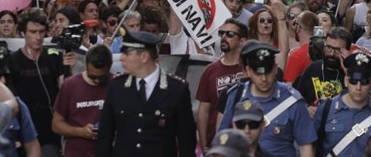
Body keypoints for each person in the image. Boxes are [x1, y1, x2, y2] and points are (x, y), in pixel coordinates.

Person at [96, 30, 196, 156]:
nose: (121, 58)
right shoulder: (116, 87)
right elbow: (105, 137)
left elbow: (186, 141)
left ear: (144, 57)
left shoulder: (176, 89)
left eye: (127, 53)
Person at [218, 42, 317, 157]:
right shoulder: (236, 95)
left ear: (275, 69)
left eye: (267, 72)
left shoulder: (292, 100)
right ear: (248, 71)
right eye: (258, 73)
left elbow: (306, 147)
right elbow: (222, 140)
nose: (264, 79)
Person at [9, 9, 70, 157]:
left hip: (49, 126)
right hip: (25, 126)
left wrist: (69, 68)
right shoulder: (13, 59)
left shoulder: (53, 54)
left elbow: (64, 88)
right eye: (33, 32)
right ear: (23, 33)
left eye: (41, 32)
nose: (38, 37)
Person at [313, 52, 371, 156]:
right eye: (354, 81)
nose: (358, 87)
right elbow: (311, 146)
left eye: (364, 81)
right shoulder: (326, 109)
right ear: (346, 81)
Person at [52, 44, 113, 157]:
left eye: (102, 77)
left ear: (110, 67)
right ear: (86, 66)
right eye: (92, 77)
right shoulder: (70, 85)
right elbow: (56, 125)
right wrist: (81, 132)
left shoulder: (116, 85)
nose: (97, 82)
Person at [197, 19, 248, 150]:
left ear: (242, 40)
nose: (224, 37)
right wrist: (204, 145)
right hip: (217, 144)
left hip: (245, 143)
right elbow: (203, 111)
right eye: (222, 33)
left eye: (230, 34)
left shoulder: (249, 68)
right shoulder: (210, 70)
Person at [295, 27, 351, 107]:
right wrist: (307, 109)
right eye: (328, 47)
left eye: (337, 50)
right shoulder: (313, 68)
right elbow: (297, 101)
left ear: (347, 51)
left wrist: (348, 71)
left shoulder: (351, 74)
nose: (331, 54)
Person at [283, 10, 318, 83]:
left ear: (298, 28)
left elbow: (289, 87)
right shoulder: (326, 51)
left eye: (295, 23)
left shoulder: (296, 56)